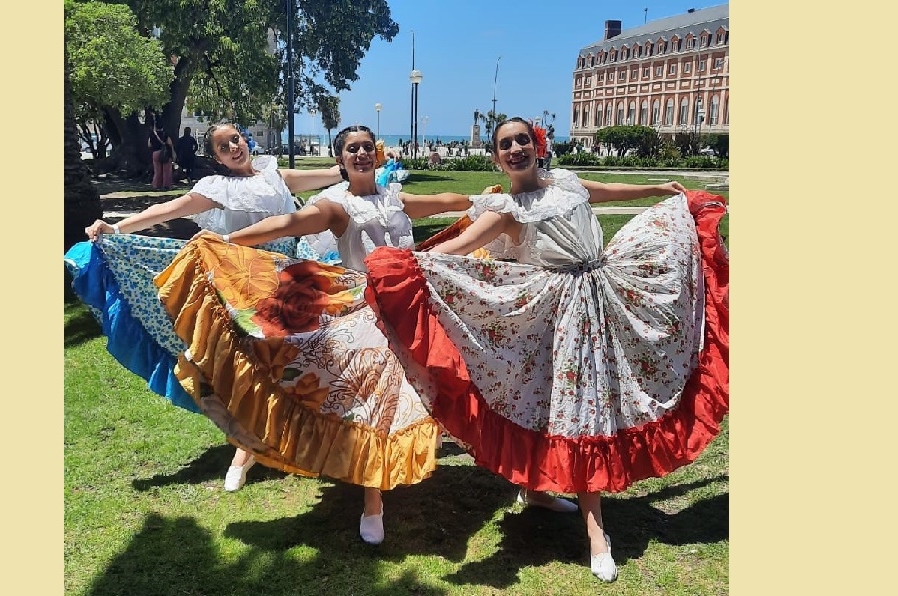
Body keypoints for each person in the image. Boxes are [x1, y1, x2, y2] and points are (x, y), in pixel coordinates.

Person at [362, 118, 729, 582]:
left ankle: (539, 494)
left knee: (564, 406)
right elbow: (457, 247)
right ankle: (596, 533)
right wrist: (402, 267)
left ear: (536, 146)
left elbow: (604, 192)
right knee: (576, 412)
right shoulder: (506, 210)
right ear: (496, 158)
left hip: (606, 294)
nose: (515, 148)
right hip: (557, 314)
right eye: (505, 144)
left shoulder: (567, 182)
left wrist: (657, 188)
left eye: (522, 140)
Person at [155, 125, 501, 545]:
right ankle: (372, 501)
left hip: (413, 305)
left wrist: (485, 199)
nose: (361, 154)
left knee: (427, 390)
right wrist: (227, 239)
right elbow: (285, 225)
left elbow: (444, 201)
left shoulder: (395, 197)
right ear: (340, 160)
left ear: (376, 154)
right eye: (352, 149)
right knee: (374, 404)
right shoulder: (337, 206)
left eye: (367, 147)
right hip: (367, 310)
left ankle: (492, 463)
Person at [69, 122, 344, 493]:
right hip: (248, 280)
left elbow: (329, 175)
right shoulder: (218, 188)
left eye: (235, 139)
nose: (233, 147)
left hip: (293, 275)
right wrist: (117, 228)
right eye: (223, 146)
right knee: (248, 361)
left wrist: (364, 162)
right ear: (216, 157)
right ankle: (247, 447)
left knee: (302, 353)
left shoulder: (274, 173)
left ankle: (295, 435)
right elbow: (168, 208)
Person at [149, 122, 175, 190]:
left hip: (155, 153)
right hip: (165, 153)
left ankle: (157, 185)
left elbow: (149, 145)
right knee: (167, 170)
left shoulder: (152, 135)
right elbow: (170, 143)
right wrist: (173, 153)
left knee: (157, 171)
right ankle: (166, 185)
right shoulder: (165, 134)